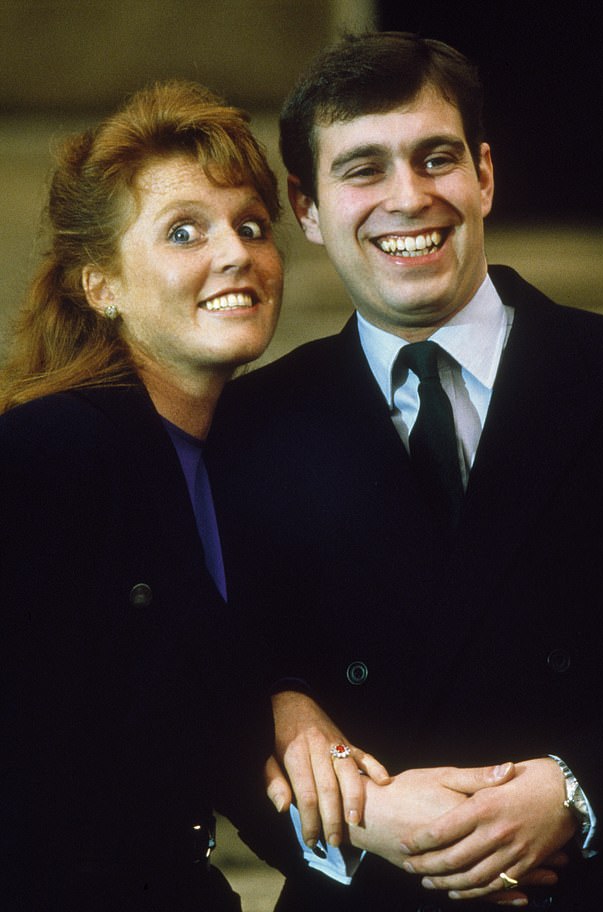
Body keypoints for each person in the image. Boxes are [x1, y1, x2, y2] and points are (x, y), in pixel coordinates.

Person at [210, 32, 603, 911]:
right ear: (309, 207)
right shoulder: (249, 428)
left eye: (435, 157)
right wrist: (362, 815)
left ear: (484, 174)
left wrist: (580, 791)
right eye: (363, 169)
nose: (409, 198)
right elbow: (207, 703)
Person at [0, 79, 287, 911]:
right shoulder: (46, 455)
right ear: (103, 286)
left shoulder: (247, 459)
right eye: (184, 231)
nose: (234, 252)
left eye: (252, 225)